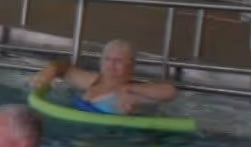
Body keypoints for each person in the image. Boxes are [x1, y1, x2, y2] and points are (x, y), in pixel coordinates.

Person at [28, 39, 178, 115]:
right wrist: (48, 72)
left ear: (131, 66)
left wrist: (128, 88)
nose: (111, 65)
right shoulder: (92, 80)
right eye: (107, 59)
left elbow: (170, 92)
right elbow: (63, 68)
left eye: (118, 61)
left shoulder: (134, 91)